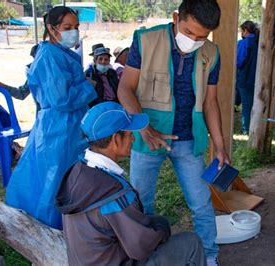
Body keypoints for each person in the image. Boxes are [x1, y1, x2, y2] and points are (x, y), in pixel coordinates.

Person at [117, 1, 228, 265]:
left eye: (203, 37)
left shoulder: (211, 53)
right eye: (189, 33)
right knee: (141, 204)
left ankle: (209, 257)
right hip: (147, 139)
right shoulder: (146, 40)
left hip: (189, 140)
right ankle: (147, 256)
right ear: (177, 17)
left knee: (201, 204)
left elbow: (210, 102)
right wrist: (144, 128)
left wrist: (220, 145)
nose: (195, 41)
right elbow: (125, 89)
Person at [56, 102, 206, 265]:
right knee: (191, 242)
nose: (134, 138)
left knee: (157, 222)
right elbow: (140, 248)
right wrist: (162, 231)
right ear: (115, 139)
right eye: (129, 134)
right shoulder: (115, 194)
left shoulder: (77, 170)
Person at [5, 6, 97, 229]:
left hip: (67, 123)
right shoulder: (49, 55)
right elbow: (61, 99)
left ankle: (68, 222)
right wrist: (87, 87)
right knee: (55, 177)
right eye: (68, 27)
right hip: (59, 125)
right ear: (51, 28)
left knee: (65, 174)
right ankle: (52, 226)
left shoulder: (62, 53)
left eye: (76, 27)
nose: (74, 32)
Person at [236, 20, 259, 134]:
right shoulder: (259, 41)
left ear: (245, 30)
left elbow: (239, 62)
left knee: (246, 105)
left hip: (244, 78)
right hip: (257, 80)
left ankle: (246, 128)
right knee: (250, 104)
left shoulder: (244, 43)